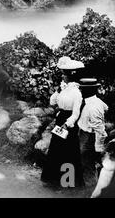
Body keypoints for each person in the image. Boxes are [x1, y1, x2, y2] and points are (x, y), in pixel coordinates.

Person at [41, 56, 85, 188]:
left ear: (70, 76)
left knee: (68, 153)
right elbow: (52, 102)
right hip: (60, 120)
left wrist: (68, 124)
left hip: (68, 123)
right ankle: (54, 180)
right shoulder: (63, 89)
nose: (62, 77)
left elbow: (76, 113)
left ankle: (68, 182)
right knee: (56, 150)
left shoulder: (76, 92)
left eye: (64, 75)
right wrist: (58, 91)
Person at [77, 78, 108, 187]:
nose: (80, 91)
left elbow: (100, 129)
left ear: (89, 91)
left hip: (89, 137)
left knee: (88, 163)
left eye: (82, 89)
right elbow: (106, 108)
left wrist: (98, 148)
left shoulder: (94, 107)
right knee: (84, 161)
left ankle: (91, 188)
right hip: (84, 133)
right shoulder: (93, 101)